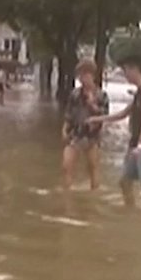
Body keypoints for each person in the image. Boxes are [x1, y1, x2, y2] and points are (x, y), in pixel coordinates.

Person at [89, 53, 141, 211]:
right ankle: (131, 212)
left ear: (135, 69)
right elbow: (123, 114)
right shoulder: (139, 92)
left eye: (126, 71)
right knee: (125, 182)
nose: (125, 75)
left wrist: (140, 146)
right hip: (135, 145)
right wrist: (98, 119)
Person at [61, 59, 105, 190]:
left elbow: (104, 117)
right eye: (80, 75)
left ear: (92, 75)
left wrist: (92, 104)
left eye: (85, 75)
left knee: (93, 167)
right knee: (66, 165)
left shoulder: (101, 95)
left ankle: (94, 193)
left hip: (92, 136)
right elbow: (68, 114)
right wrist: (64, 129)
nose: (82, 79)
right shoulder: (74, 94)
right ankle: (67, 194)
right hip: (75, 134)